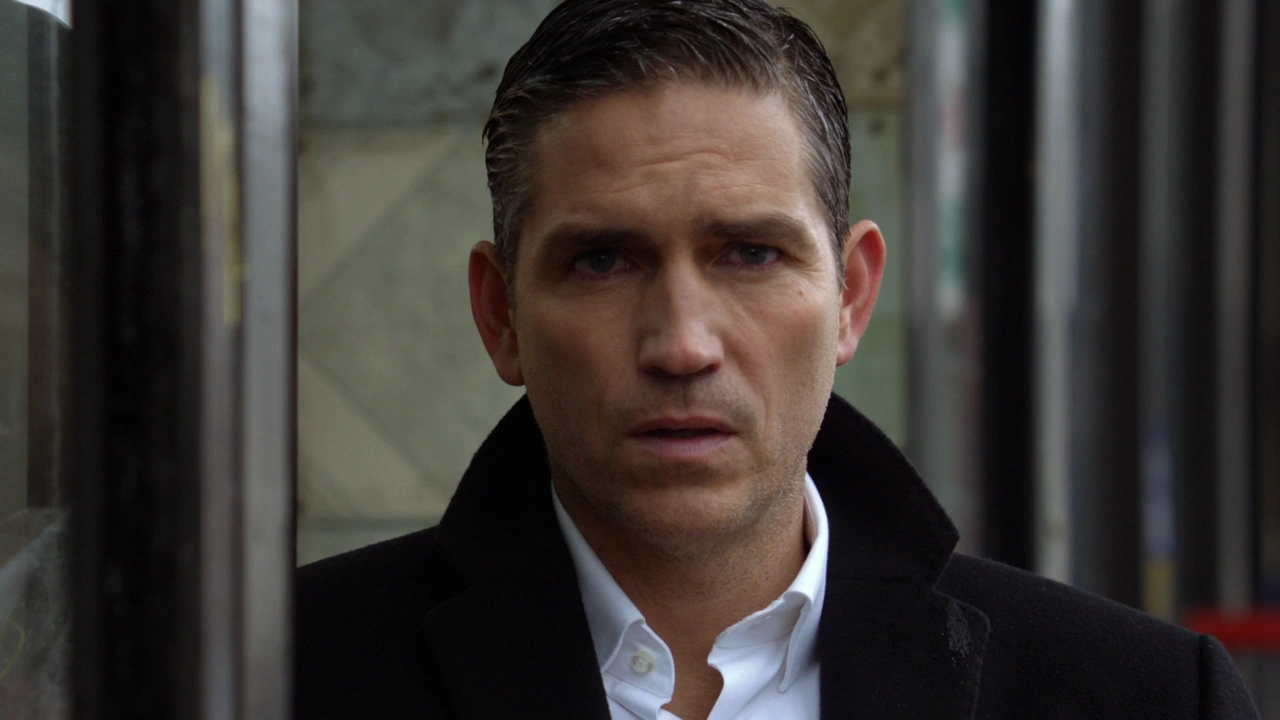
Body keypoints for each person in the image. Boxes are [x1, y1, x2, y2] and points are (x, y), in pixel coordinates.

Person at [294, 1, 1260, 718]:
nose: (682, 344)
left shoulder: (1145, 698)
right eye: (602, 261)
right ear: (500, 314)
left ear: (851, 297)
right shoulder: (283, 676)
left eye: (751, 254)